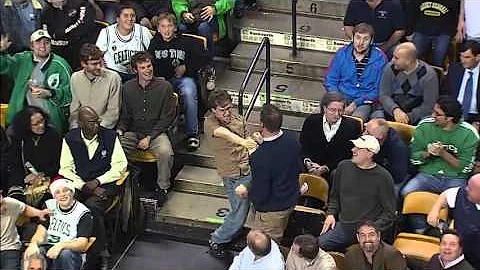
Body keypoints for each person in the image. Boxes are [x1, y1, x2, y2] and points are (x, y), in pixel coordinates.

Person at [59, 106, 128, 269]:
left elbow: (120, 166)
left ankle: (100, 252)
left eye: (97, 122)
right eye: (91, 123)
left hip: (105, 185)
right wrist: (84, 186)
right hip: (79, 184)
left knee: (92, 206)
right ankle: (66, 248)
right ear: (80, 123)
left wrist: (97, 182)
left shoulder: (110, 136)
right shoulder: (70, 138)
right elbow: (65, 169)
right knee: (63, 203)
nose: (96, 126)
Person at [403, 97, 479, 233]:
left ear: (449, 118)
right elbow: (413, 158)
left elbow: (465, 167)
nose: (433, 116)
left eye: (437, 114)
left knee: (464, 203)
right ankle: (420, 228)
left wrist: (443, 153)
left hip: (455, 177)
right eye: (433, 112)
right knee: (407, 192)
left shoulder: (469, 134)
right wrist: (428, 154)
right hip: (427, 174)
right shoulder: (424, 126)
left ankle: (449, 231)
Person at [204, 89, 258, 259]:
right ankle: (217, 239)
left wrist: (253, 140)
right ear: (213, 110)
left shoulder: (237, 118)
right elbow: (225, 134)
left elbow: (246, 136)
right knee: (239, 213)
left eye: (229, 108)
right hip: (233, 174)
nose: (227, 113)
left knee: (253, 205)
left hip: (248, 168)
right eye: (222, 110)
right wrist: (244, 142)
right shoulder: (210, 123)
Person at [319, 135, 396, 252]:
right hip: (343, 226)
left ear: (370, 154)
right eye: (354, 147)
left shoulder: (383, 177)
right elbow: (335, 196)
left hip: (368, 231)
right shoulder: (343, 166)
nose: (353, 150)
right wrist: (331, 213)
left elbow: (389, 213)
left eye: (358, 148)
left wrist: (371, 229)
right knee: (315, 246)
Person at [117, 51, 176, 204]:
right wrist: (120, 130)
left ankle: (163, 187)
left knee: (165, 152)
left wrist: (150, 137)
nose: (147, 70)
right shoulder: (127, 88)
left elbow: (167, 117)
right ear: (135, 70)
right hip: (134, 131)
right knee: (116, 147)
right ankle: (123, 183)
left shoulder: (165, 87)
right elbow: (125, 116)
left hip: (156, 132)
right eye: (142, 67)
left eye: (149, 66)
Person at [238, 104, 301, 243]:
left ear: (262, 124)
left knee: (265, 248)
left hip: (271, 211)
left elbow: (262, 192)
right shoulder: (293, 140)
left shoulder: (260, 156)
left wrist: (248, 193)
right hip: (289, 200)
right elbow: (298, 168)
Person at [148, 12, 203, 150]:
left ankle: (192, 133)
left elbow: (202, 59)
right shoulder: (154, 43)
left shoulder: (185, 42)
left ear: (175, 27)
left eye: (169, 26)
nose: (166, 30)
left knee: (189, 89)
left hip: (180, 80)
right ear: (158, 28)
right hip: (160, 81)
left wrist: (186, 66)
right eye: (163, 26)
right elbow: (149, 65)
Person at [0, 29, 72, 134]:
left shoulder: (60, 65)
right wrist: (1, 51)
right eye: (38, 42)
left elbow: (70, 94)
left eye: (46, 42)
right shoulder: (22, 59)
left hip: (50, 122)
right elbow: (3, 66)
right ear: (31, 46)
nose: (42, 46)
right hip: (22, 117)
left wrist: (50, 93)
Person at [24, 179, 93, 270]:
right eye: (57, 192)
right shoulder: (49, 206)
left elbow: (82, 243)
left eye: (65, 190)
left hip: (71, 252)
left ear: (72, 193)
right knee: (35, 252)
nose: (62, 195)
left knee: (64, 254)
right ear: (54, 196)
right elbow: (41, 231)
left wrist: (61, 245)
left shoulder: (83, 212)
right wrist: (34, 244)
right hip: (48, 247)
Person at [325, 23, 387, 121]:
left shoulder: (380, 58)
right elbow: (330, 80)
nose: (361, 42)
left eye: (365, 39)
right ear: (352, 37)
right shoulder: (342, 53)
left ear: (371, 41)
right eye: (358, 38)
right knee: (319, 117)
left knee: (355, 121)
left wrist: (356, 103)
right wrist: (338, 100)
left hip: (364, 101)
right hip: (340, 97)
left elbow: (379, 89)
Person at [299, 92, 362, 180]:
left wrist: (326, 167)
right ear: (324, 108)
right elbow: (303, 145)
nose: (336, 114)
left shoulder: (352, 126)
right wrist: (308, 162)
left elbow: (349, 154)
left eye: (340, 110)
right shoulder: (311, 121)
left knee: (337, 174)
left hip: (334, 169)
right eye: (332, 110)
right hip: (310, 165)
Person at [7, 106, 61, 207]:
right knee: (15, 201)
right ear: (27, 125)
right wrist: (24, 178)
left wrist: (41, 175)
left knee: (47, 201)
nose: (41, 125)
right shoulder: (19, 138)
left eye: (42, 121)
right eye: (36, 124)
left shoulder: (52, 135)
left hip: (47, 177)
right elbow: (14, 163)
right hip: (24, 179)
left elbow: (58, 162)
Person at [379, 42, 439, 125]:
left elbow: (428, 105)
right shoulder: (389, 68)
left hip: (416, 115)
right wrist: (395, 110)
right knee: (377, 117)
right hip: (391, 111)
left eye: (396, 58)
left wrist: (407, 117)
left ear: (408, 61)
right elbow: (384, 95)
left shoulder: (429, 75)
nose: (392, 60)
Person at [427, 174, 480, 268]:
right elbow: (446, 194)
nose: (466, 189)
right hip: (458, 253)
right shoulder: (462, 193)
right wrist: (435, 209)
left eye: (471, 189)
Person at [69, 43, 122, 130]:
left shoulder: (113, 78)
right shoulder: (75, 78)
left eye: (100, 62)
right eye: (94, 64)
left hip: (103, 128)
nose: (99, 67)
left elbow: (113, 113)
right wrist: (75, 129)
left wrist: (97, 130)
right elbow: (74, 110)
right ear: (83, 64)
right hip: (82, 128)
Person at [95, 4, 152, 82]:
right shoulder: (106, 32)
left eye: (132, 16)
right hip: (114, 75)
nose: (130, 19)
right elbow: (97, 55)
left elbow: (152, 53)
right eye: (126, 16)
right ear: (118, 19)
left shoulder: (142, 31)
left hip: (138, 74)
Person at [41, 0, 96, 71]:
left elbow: (83, 25)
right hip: (56, 55)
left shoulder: (81, 4)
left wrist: (63, 33)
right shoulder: (46, 12)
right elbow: (46, 34)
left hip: (77, 52)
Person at [1, 193, 51, 270]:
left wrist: (39, 213)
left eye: (2, 202)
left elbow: (25, 209)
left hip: (10, 247)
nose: (3, 207)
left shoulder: (10, 203)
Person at [405, 0, 461, 67]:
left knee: (438, 61)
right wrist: (409, 32)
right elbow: (412, 12)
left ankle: (437, 75)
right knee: (413, 59)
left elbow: (455, 16)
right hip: (421, 31)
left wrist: (452, 33)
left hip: (443, 33)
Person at [364, 118, 409, 193]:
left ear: (380, 138)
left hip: (395, 176)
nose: (364, 134)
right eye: (365, 130)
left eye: (368, 133)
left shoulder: (398, 148)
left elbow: (398, 177)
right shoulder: (367, 138)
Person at [441, 41, 480, 124]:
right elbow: (444, 93)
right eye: (461, 56)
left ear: (477, 57)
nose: (462, 60)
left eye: (467, 57)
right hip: (454, 115)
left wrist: (478, 122)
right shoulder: (454, 70)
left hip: (476, 116)